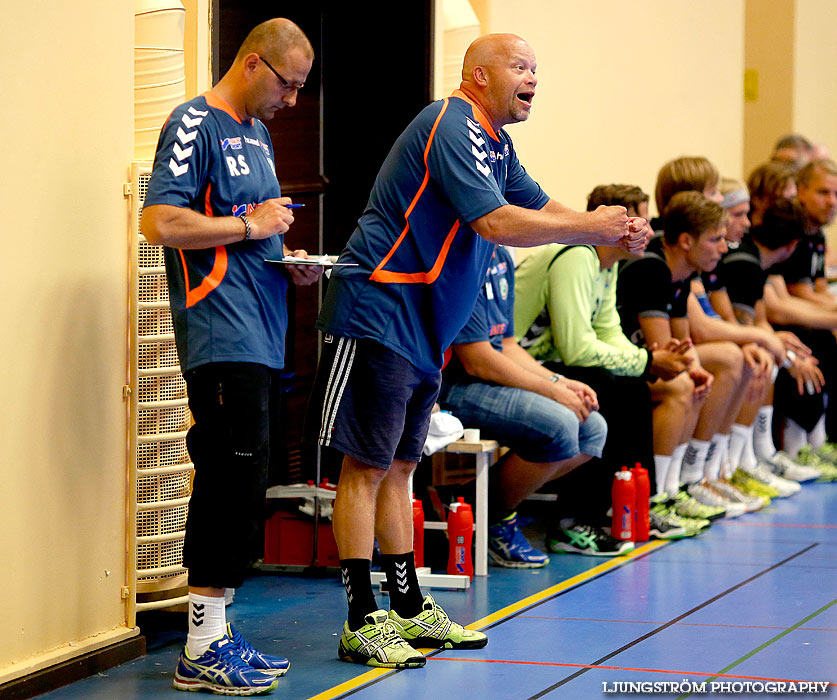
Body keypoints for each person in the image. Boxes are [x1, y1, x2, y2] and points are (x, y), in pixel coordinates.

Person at [306, 33, 649, 669]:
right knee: (365, 467)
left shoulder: (497, 143)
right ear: (479, 74)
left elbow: (540, 206)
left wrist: (612, 229)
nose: (533, 79)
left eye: (537, 69)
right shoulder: (450, 122)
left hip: (423, 326)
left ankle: (407, 607)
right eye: (520, 67)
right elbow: (497, 223)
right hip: (379, 308)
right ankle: (360, 617)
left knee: (403, 466)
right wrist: (594, 226)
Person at [141, 18, 322, 696]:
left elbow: (246, 237)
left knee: (248, 487)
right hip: (219, 333)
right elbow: (161, 221)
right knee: (227, 481)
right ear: (252, 64)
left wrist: (285, 261)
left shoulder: (260, 135)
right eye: (288, 86)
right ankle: (199, 646)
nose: (293, 102)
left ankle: (215, 628)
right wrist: (254, 226)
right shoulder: (193, 123)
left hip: (261, 330)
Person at [514, 184, 694, 544]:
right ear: (614, 224)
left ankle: (631, 504)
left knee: (632, 386)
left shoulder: (606, 263)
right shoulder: (578, 254)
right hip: (517, 362)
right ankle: (573, 520)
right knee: (605, 389)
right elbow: (577, 350)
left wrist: (648, 362)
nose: (647, 231)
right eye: (637, 221)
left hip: (549, 362)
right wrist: (646, 360)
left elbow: (608, 332)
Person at [439, 245, 610, 566]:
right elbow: (478, 361)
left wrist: (559, 382)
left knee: (592, 428)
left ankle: (475, 509)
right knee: (560, 424)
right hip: (451, 387)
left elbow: (507, 345)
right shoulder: (461, 257)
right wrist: (551, 391)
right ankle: (492, 519)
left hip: (487, 379)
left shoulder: (501, 257)